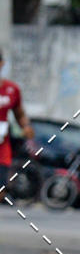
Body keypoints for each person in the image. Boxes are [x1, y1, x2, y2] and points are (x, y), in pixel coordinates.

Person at [0, 49, 35, 202]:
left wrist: (26, 126)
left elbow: (19, 114)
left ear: (2, 64)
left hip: (2, 146)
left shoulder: (12, 89)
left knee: (2, 186)